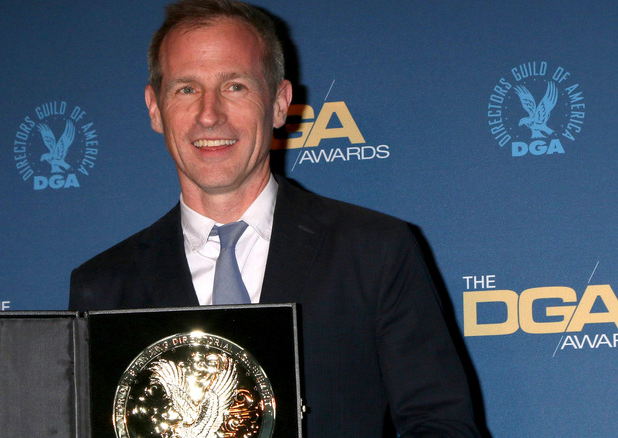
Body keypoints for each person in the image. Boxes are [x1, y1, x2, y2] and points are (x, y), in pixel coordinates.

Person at [70, 0, 480, 436]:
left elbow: (441, 425)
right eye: (186, 89)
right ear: (155, 108)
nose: (210, 115)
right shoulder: (103, 286)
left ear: (280, 103)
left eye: (235, 87)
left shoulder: (375, 252)